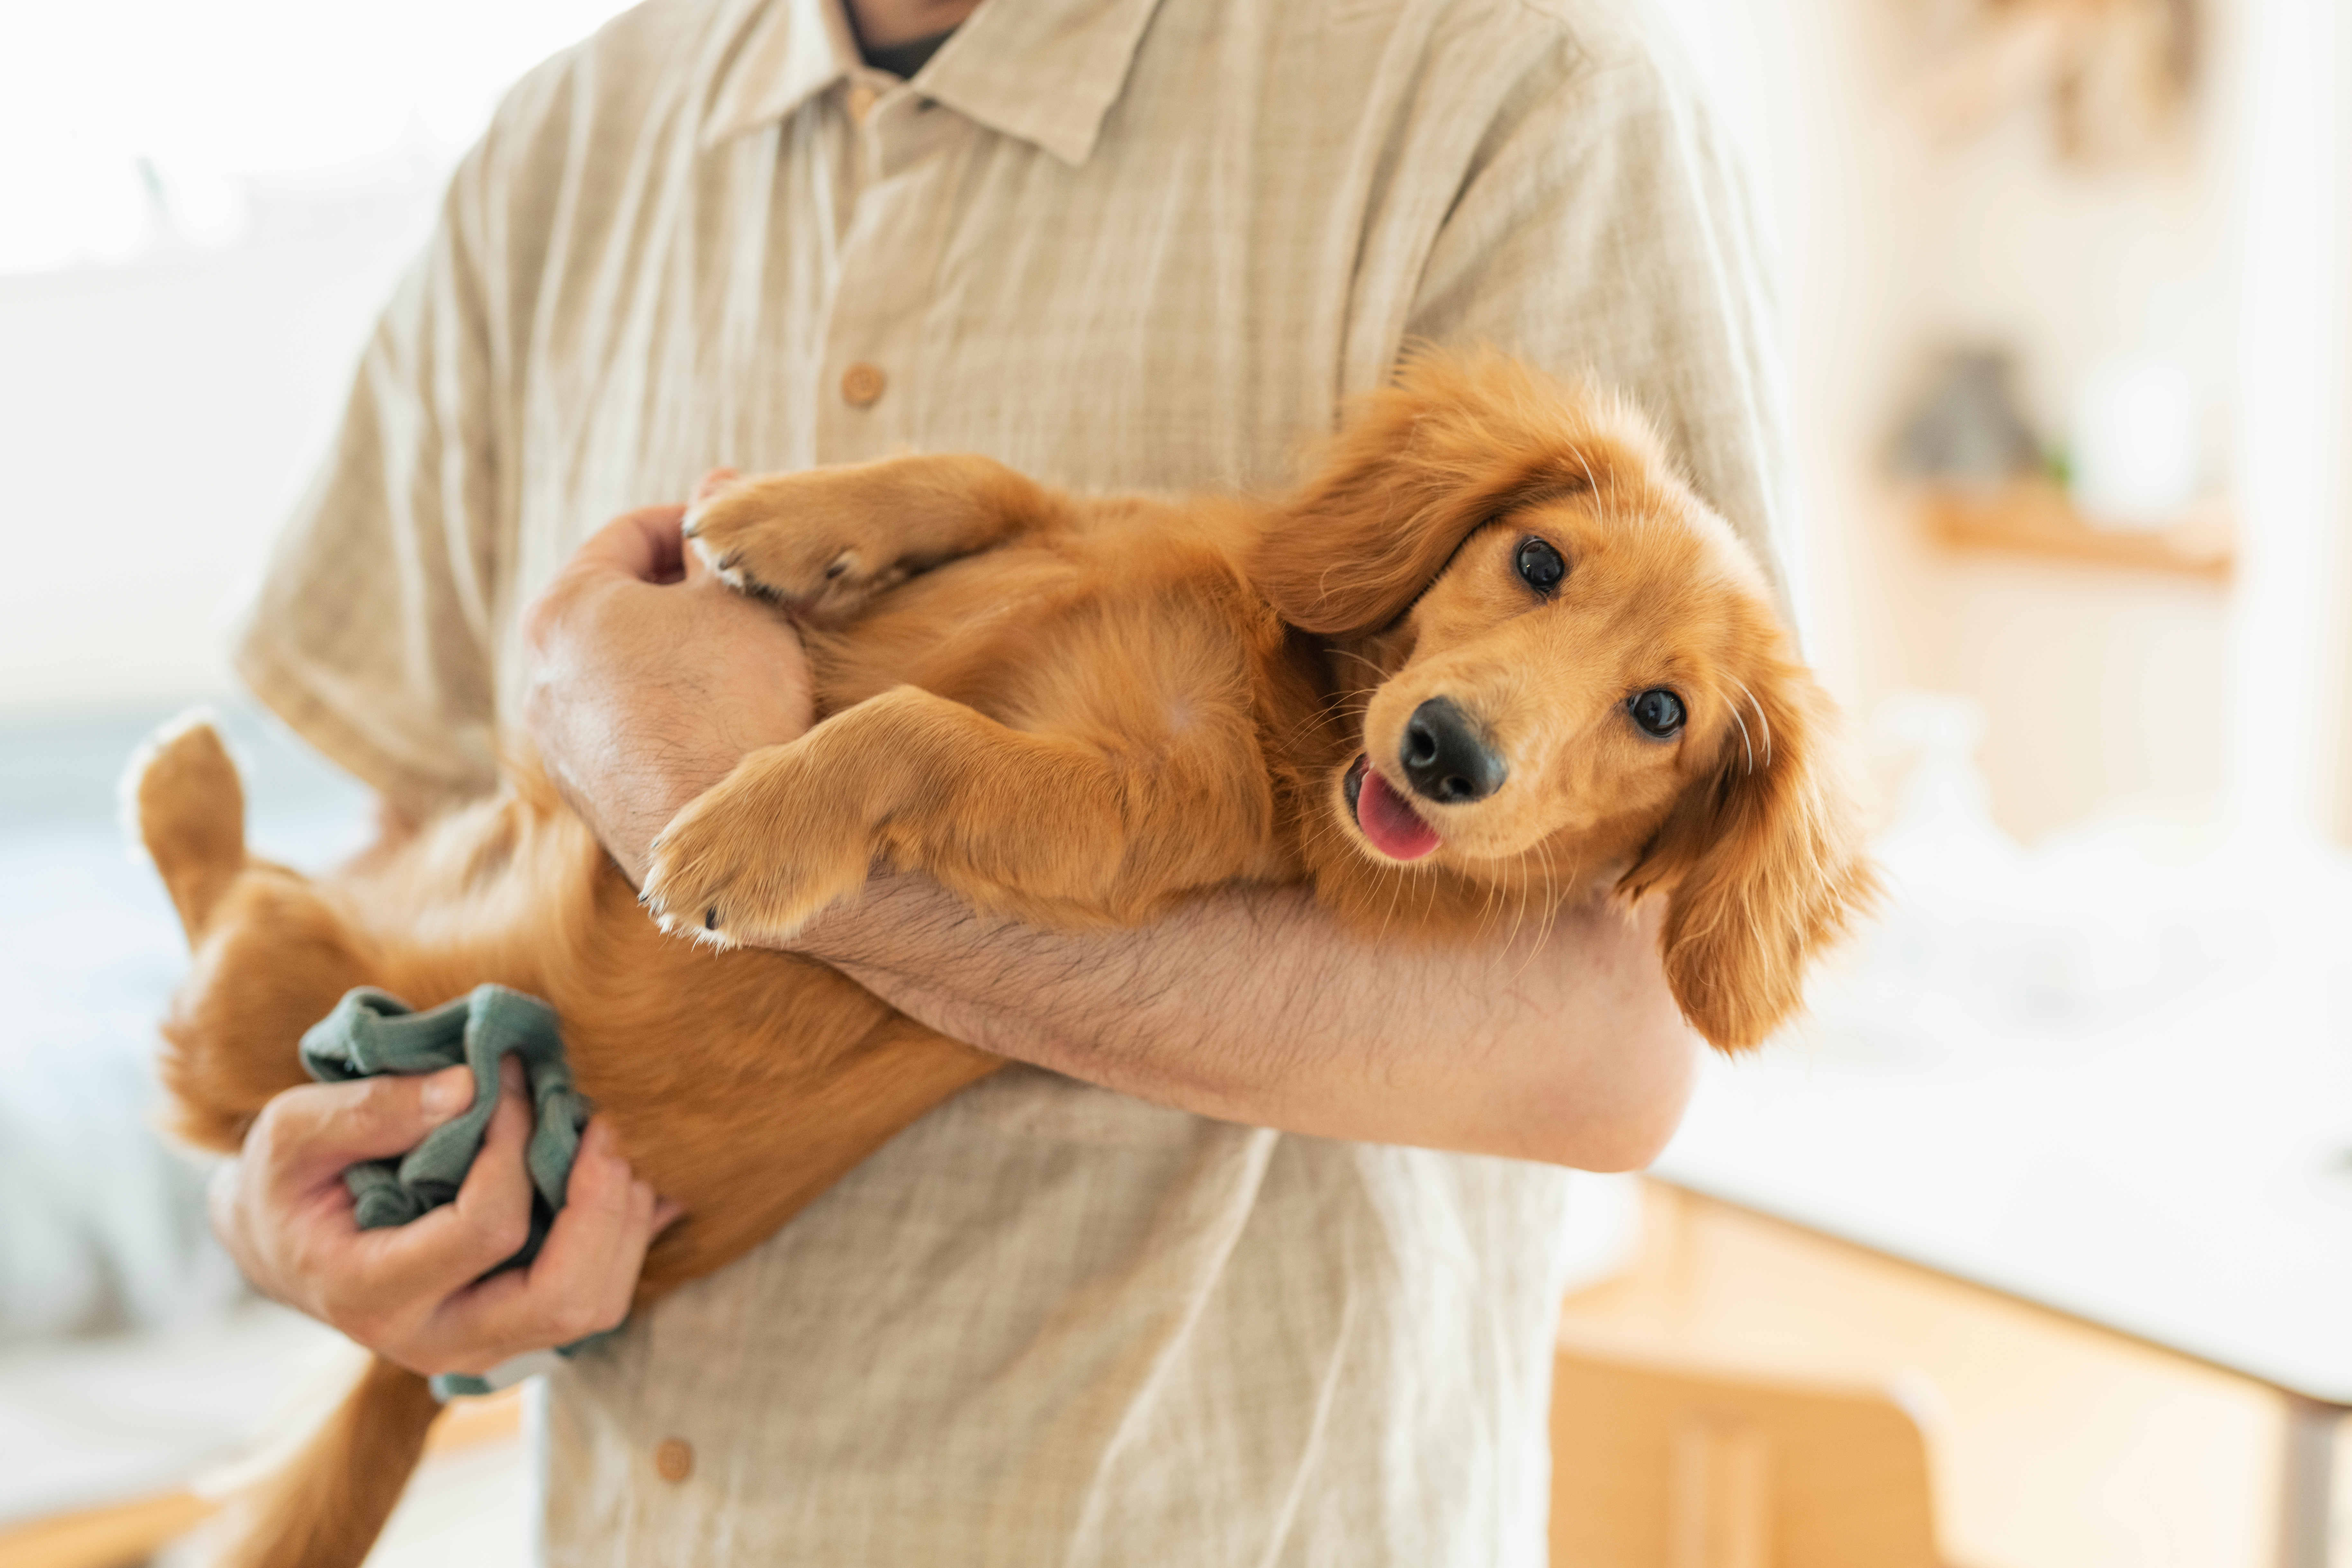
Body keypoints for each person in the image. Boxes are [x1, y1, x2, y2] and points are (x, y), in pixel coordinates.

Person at [208, 0, 1792, 1559]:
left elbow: (1621, 1055)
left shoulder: (1524, 89)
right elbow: (412, 828)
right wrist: (281, 1207)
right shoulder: (562, 144)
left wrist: (728, 797)